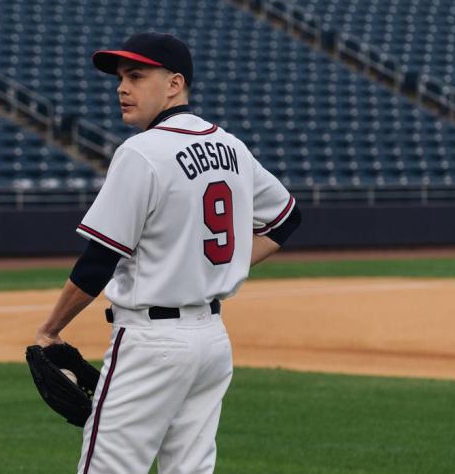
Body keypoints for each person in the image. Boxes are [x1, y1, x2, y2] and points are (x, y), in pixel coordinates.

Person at [34, 32, 301, 474]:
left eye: (136, 76)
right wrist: (221, 264)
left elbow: (98, 261)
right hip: (211, 342)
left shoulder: (142, 152)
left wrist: (49, 329)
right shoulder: (231, 147)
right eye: (121, 78)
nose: (122, 88)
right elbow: (286, 220)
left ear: (174, 84)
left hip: (151, 343)